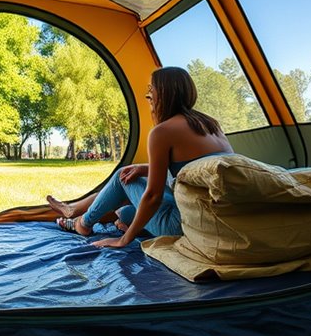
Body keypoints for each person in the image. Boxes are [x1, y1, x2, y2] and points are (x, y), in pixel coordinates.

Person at [47, 66, 233, 248]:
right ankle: (80, 212)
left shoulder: (163, 132)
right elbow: (191, 171)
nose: (147, 95)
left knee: (123, 176)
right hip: (212, 220)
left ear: (165, 93)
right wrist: (144, 168)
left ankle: (83, 224)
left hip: (182, 225)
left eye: (151, 89)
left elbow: (153, 196)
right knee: (127, 211)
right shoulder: (210, 125)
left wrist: (123, 240)